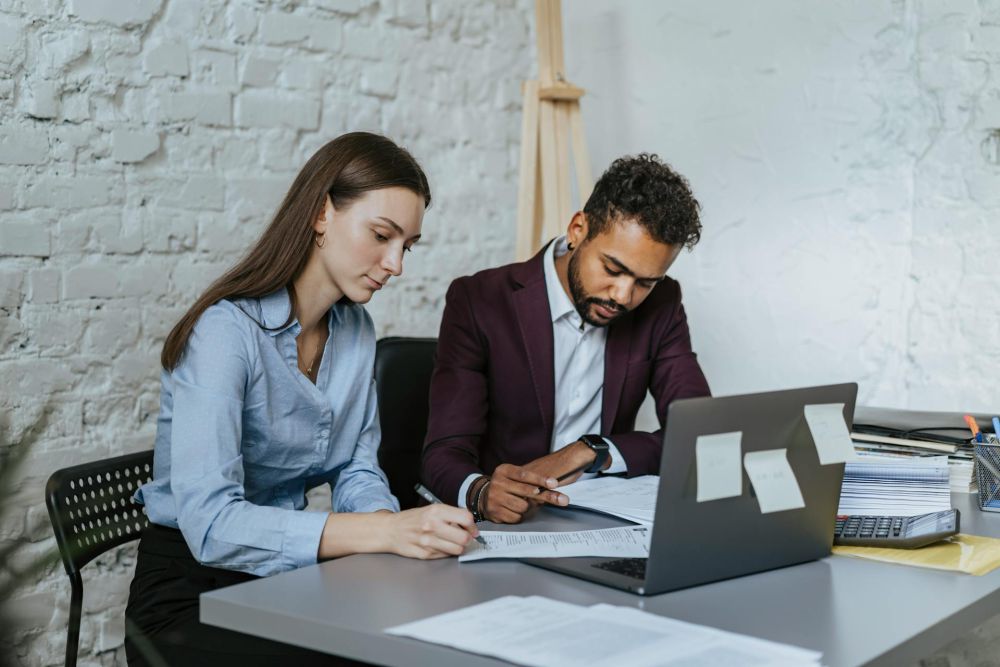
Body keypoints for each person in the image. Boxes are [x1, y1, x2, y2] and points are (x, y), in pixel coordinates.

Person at [125, 132, 476, 666]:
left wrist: (400, 540)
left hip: (285, 579)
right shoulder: (224, 333)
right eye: (382, 235)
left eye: (407, 245)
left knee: (427, 640)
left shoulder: (356, 330)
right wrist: (384, 530)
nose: (396, 264)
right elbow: (214, 527)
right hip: (188, 593)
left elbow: (357, 469)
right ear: (320, 214)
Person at [421, 153, 711, 524]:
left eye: (645, 282)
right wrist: (480, 492)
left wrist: (593, 451)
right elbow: (442, 452)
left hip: (603, 518)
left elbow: (698, 432)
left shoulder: (663, 304)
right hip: (504, 525)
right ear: (578, 229)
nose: (623, 296)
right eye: (612, 269)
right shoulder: (480, 300)